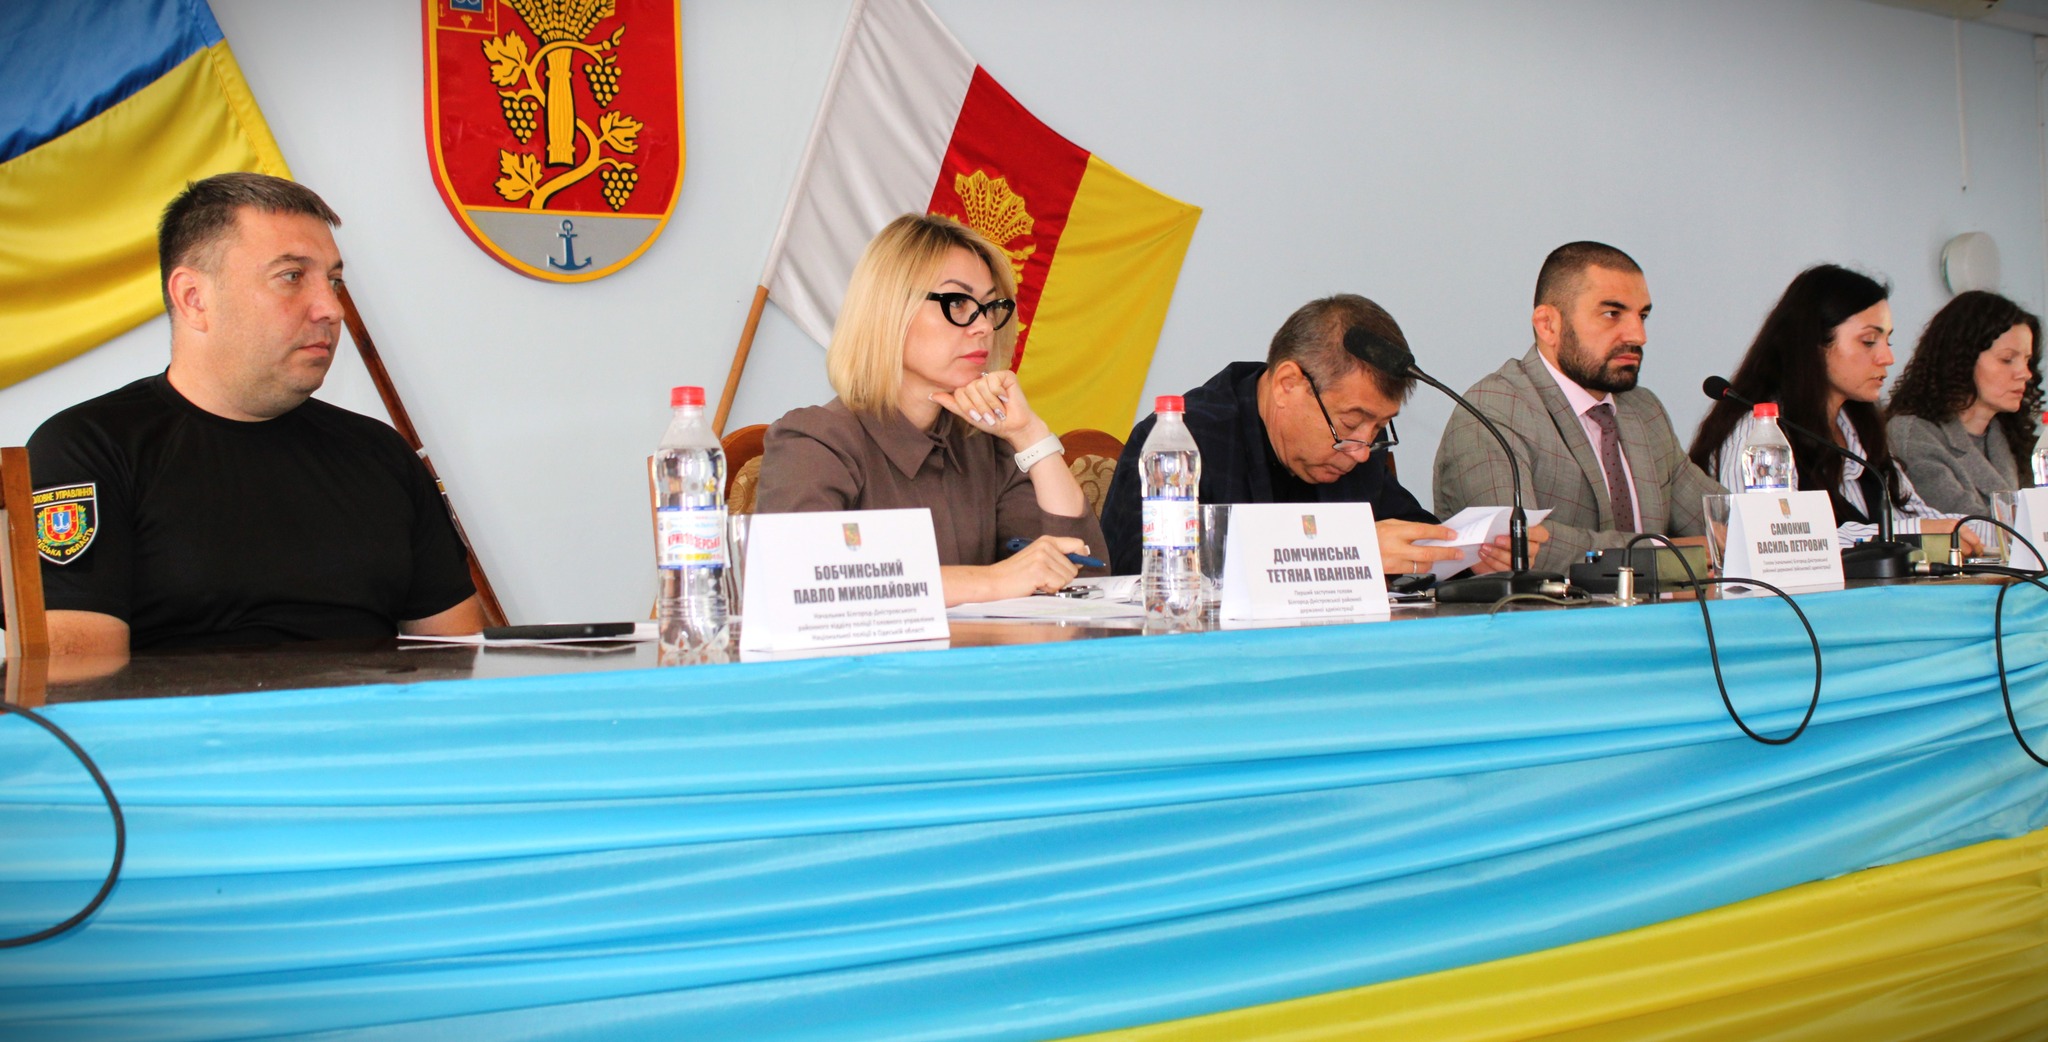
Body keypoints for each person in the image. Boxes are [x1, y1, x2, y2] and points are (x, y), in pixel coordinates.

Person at [27, 173, 483, 656]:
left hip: (373, 705)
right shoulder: (87, 449)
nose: (331, 308)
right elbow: (78, 682)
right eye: (292, 276)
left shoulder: (383, 454)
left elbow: (457, 661)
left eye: (334, 281)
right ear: (194, 298)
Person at [755, 214, 1105, 607]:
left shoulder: (987, 446)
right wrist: (992, 581)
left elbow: (1084, 579)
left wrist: (1030, 435)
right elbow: (800, 579)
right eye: (957, 302)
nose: (984, 327)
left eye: (991, 307)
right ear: (889, 311)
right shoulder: (815, 440)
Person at [1099, 294, 1544, 577]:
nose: (1361, 451)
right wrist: (1348, 551)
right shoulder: (1183, 443)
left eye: (1378, 428)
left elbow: (1410, 535)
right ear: (1287, 384)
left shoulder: (1356, 452)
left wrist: (1472, 559)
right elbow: (1140, 575)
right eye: (1350, 424)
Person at [1432, 242, 1723, 574]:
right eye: (1612, 314)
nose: (1638, 335)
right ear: (1548, 325)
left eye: (1642, 316)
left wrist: (1757, 529)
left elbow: (1720, 522)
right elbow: (1511, 547)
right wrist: (1666, 552)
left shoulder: (1644, 411)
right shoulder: (1494, 410)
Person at [1687, 264, 1981, 553]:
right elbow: (1774, 543)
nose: (1888, 357)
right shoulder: (1756, 434)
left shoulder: (1859, 429)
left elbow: (1917, 516)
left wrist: (1982, 529)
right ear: (1814, 345)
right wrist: (1910, 533)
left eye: (1888, 340)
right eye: (1869, 341)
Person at [1883, 290, 2042, 515]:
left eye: (2027, 361)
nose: (2025, 373)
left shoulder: (2012, 436)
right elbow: (1966, 524)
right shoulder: (1913, 434)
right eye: (2007, 359)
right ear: (1961, 359)